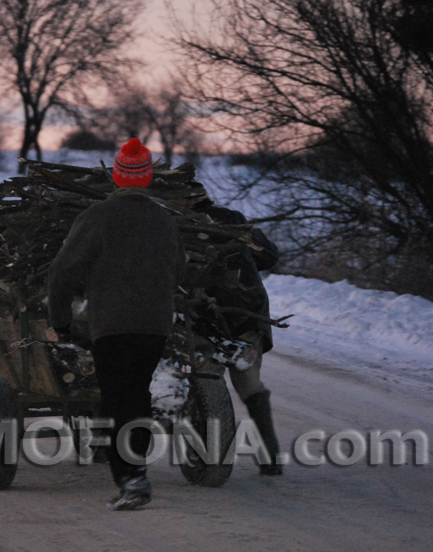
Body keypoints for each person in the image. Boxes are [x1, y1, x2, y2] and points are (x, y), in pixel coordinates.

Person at [48, 138, 187, 510]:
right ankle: (134, 472)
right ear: (148, 179)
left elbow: (63, 271)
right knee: (137, 396)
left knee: (117, 400)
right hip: (155, 324)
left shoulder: (98, 217)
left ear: (116, 176)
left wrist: (60, 320)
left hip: (112, 323)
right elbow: (180, 268)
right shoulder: (164, 219)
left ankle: (131, 481)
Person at [197, 201, 284, 475]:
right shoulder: (231, 218)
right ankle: (270, 459)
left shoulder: (173, 220)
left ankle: (211, 457)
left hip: (206, 313)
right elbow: (269, 256)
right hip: (248, 310)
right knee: (249, 385)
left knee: (207, 377)